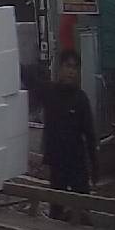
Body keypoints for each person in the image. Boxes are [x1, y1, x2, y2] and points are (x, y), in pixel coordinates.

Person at [40, 49, 97, 220]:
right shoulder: (50, 94)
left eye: (75, 67)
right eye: (68, 66)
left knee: (83, 210)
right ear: (60, 68)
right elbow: (49, 131)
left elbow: (90, 134)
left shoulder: (81, 99)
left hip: (77, 163)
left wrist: (95, 167)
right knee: (57, 210)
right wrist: (46, 159)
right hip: (57, 163)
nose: (71, 71)